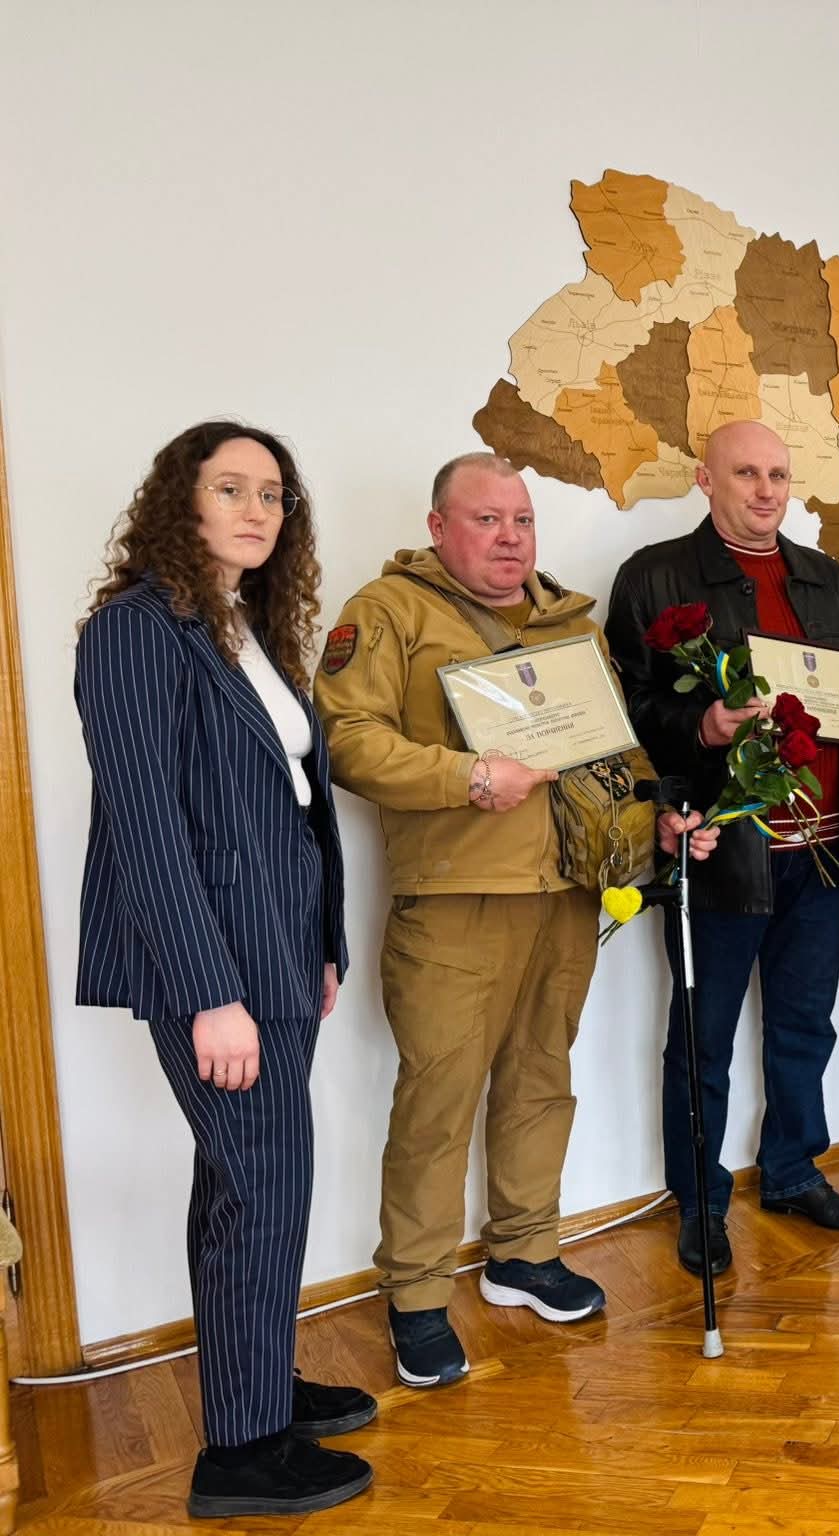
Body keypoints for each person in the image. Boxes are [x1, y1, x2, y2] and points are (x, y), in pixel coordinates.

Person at [315, 453, 711, 1388]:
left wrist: (655, 819)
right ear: (438, 527)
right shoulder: (390, 612)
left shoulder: (569, 623)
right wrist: (466, 776)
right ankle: (416, 1294)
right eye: (486, 520)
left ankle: (523, 1251)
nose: (509, 538)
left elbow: (613, 752)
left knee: (541, 1078)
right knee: (438, 1099)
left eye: (522, 521)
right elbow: (345, 739)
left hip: (569, 893)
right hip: (457, 900)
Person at [75, 421, 374, 1517]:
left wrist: (324, 942)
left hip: (280, 949)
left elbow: (293, 804)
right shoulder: (134, 630)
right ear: (181, 500)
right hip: (216, 963)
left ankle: (256, 1389)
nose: (257, 510)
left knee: (246, 1183)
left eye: (273, 493)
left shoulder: (244, 625)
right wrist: (211, 994)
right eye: (230, 488)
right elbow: (147, 828)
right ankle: (242, 1457)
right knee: (263, 1182)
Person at [607, 420, 839, 1278]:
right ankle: (700, 1201)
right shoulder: (655, 576)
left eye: (778, 475)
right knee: (703, 1037)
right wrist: (700, 725)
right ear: (706, 480)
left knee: (805, 1024)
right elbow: (626, 712)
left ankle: (793, 1170)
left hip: (821, 850)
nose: (766, 491)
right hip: (721, 850)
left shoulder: (826, 579)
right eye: (746, 474)